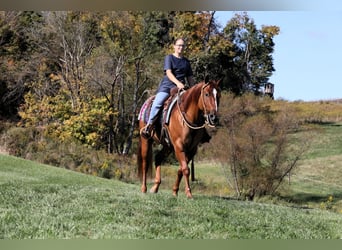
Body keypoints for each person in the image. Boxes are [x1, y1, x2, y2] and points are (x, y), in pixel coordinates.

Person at [141, 38, 195, 139]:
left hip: (181, 88)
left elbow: (190, 78)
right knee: (157, 103)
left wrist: (193, 90)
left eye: (183, 45)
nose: (181, 47)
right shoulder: (169, 58)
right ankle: (149, 125)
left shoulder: (186, 62)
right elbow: (169, 73)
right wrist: (178, 83)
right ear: (174, 46)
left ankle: (200, 131)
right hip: (167, 87)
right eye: (179, 45)